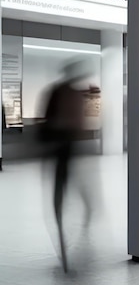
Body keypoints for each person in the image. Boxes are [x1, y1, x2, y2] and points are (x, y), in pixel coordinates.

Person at [39, 59, 91, 273]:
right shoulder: (63, 93)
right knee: (63, 191)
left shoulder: (65, 92)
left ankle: (68, 234)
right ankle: (64, 235)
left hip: (68, 148)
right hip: (63, 148)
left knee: (67, 192)